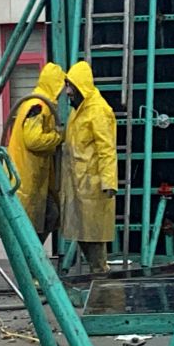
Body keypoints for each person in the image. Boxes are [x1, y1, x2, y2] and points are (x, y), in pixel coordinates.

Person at [59, 60, 119, 278]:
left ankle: (100, 273)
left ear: (80, 86)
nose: (67, 92)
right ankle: (98, 274)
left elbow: (107, 149)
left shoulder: (98, 111)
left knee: (93, 233)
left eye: (70, 87)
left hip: (92, 183)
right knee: (82, 231)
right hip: (78, 181)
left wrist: (109, 181)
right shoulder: (79, 111)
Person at [6, 62, 66, 238]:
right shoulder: (39, 106)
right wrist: (58, 137)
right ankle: (33, 260)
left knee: (49, 216)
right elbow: (33, 140)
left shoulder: (35, 103)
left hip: (30, 176)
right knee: (43, 219)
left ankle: (34, 259)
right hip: (26, 177)